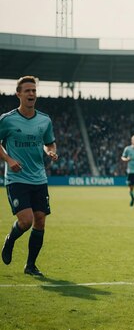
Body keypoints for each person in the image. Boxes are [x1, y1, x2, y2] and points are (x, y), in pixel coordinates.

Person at [0, 76, 58, 277]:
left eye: (34, 90)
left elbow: (49, 142)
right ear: (18, 94)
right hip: (17, 179)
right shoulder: (6, 120)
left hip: (39, 178)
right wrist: (8, 159)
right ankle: (10, 240)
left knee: (40, 221)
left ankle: (30, 266)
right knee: (25, 221)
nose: (31, 94)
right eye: (27, 91)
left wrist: (50, 150)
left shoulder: (45, 120)